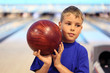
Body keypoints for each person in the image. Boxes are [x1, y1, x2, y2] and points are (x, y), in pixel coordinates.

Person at [30, 6, 89, 73]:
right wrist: (46, 65)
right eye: (68, 24)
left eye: (77, 25)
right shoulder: (47, 44)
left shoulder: (81, 51)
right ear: (60, 25)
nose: (73, 28)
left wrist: (58, 65)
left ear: (81, 29)